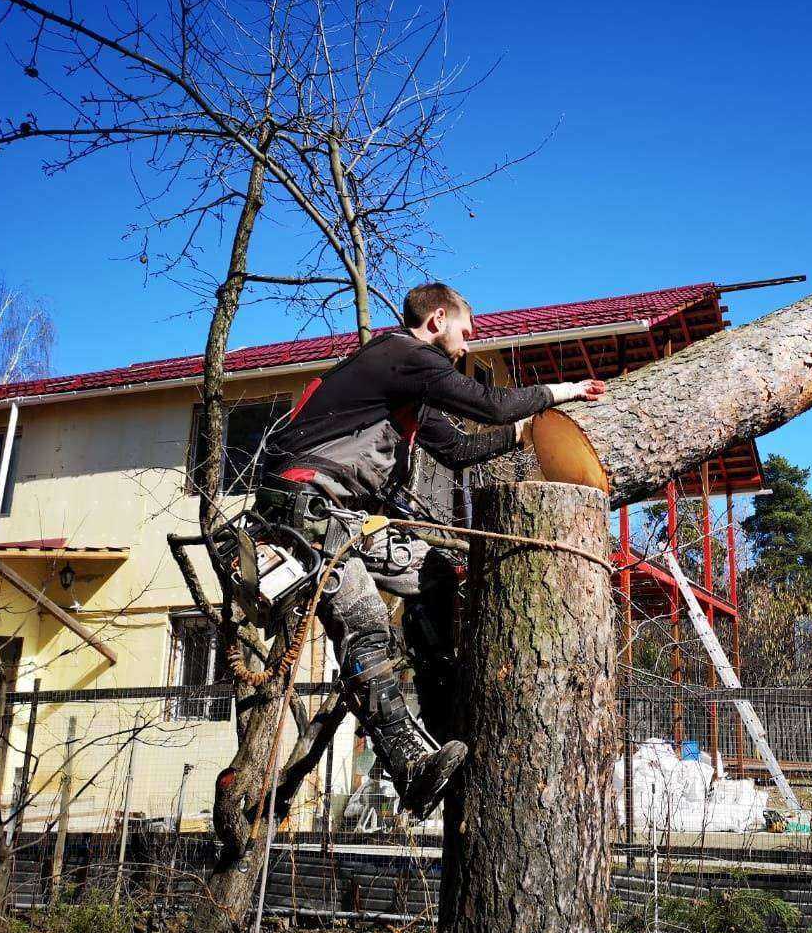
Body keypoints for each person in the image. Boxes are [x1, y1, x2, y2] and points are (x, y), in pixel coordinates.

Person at [255, 282, 605, 818]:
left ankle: (446, 724)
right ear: (437, 318)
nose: (468, 344)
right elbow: (490, 404)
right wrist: (566, 391)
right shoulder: (402, 355)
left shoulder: (408, 386)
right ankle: (410, 770)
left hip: (340, 514)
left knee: (435, 575)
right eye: (466, 331)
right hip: (303, 509)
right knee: (366, 627)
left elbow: (460, 449)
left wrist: (528, 433)